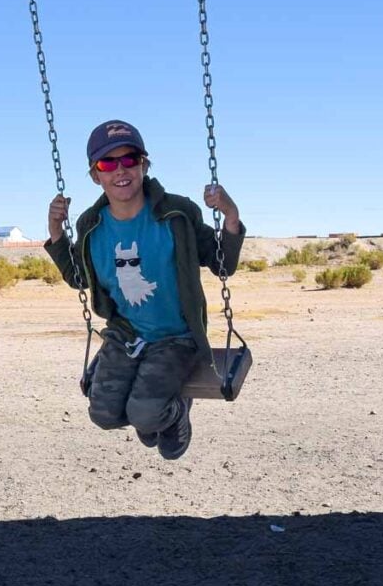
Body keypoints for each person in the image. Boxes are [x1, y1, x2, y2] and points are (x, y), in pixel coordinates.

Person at [45, 119, 244, 460]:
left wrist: (230, 215)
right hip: (127, 335)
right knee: (103, 415)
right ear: (96, 175)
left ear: (144, 164)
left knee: (145, 414)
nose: (120, 170)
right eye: (108, 163)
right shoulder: (91, 226)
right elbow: (79, 277)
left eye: (130, 159)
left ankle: (175, 412)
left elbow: (221, 262)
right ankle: (157, 417)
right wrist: (56, 233)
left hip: (176, 337)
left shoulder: (177, 213)